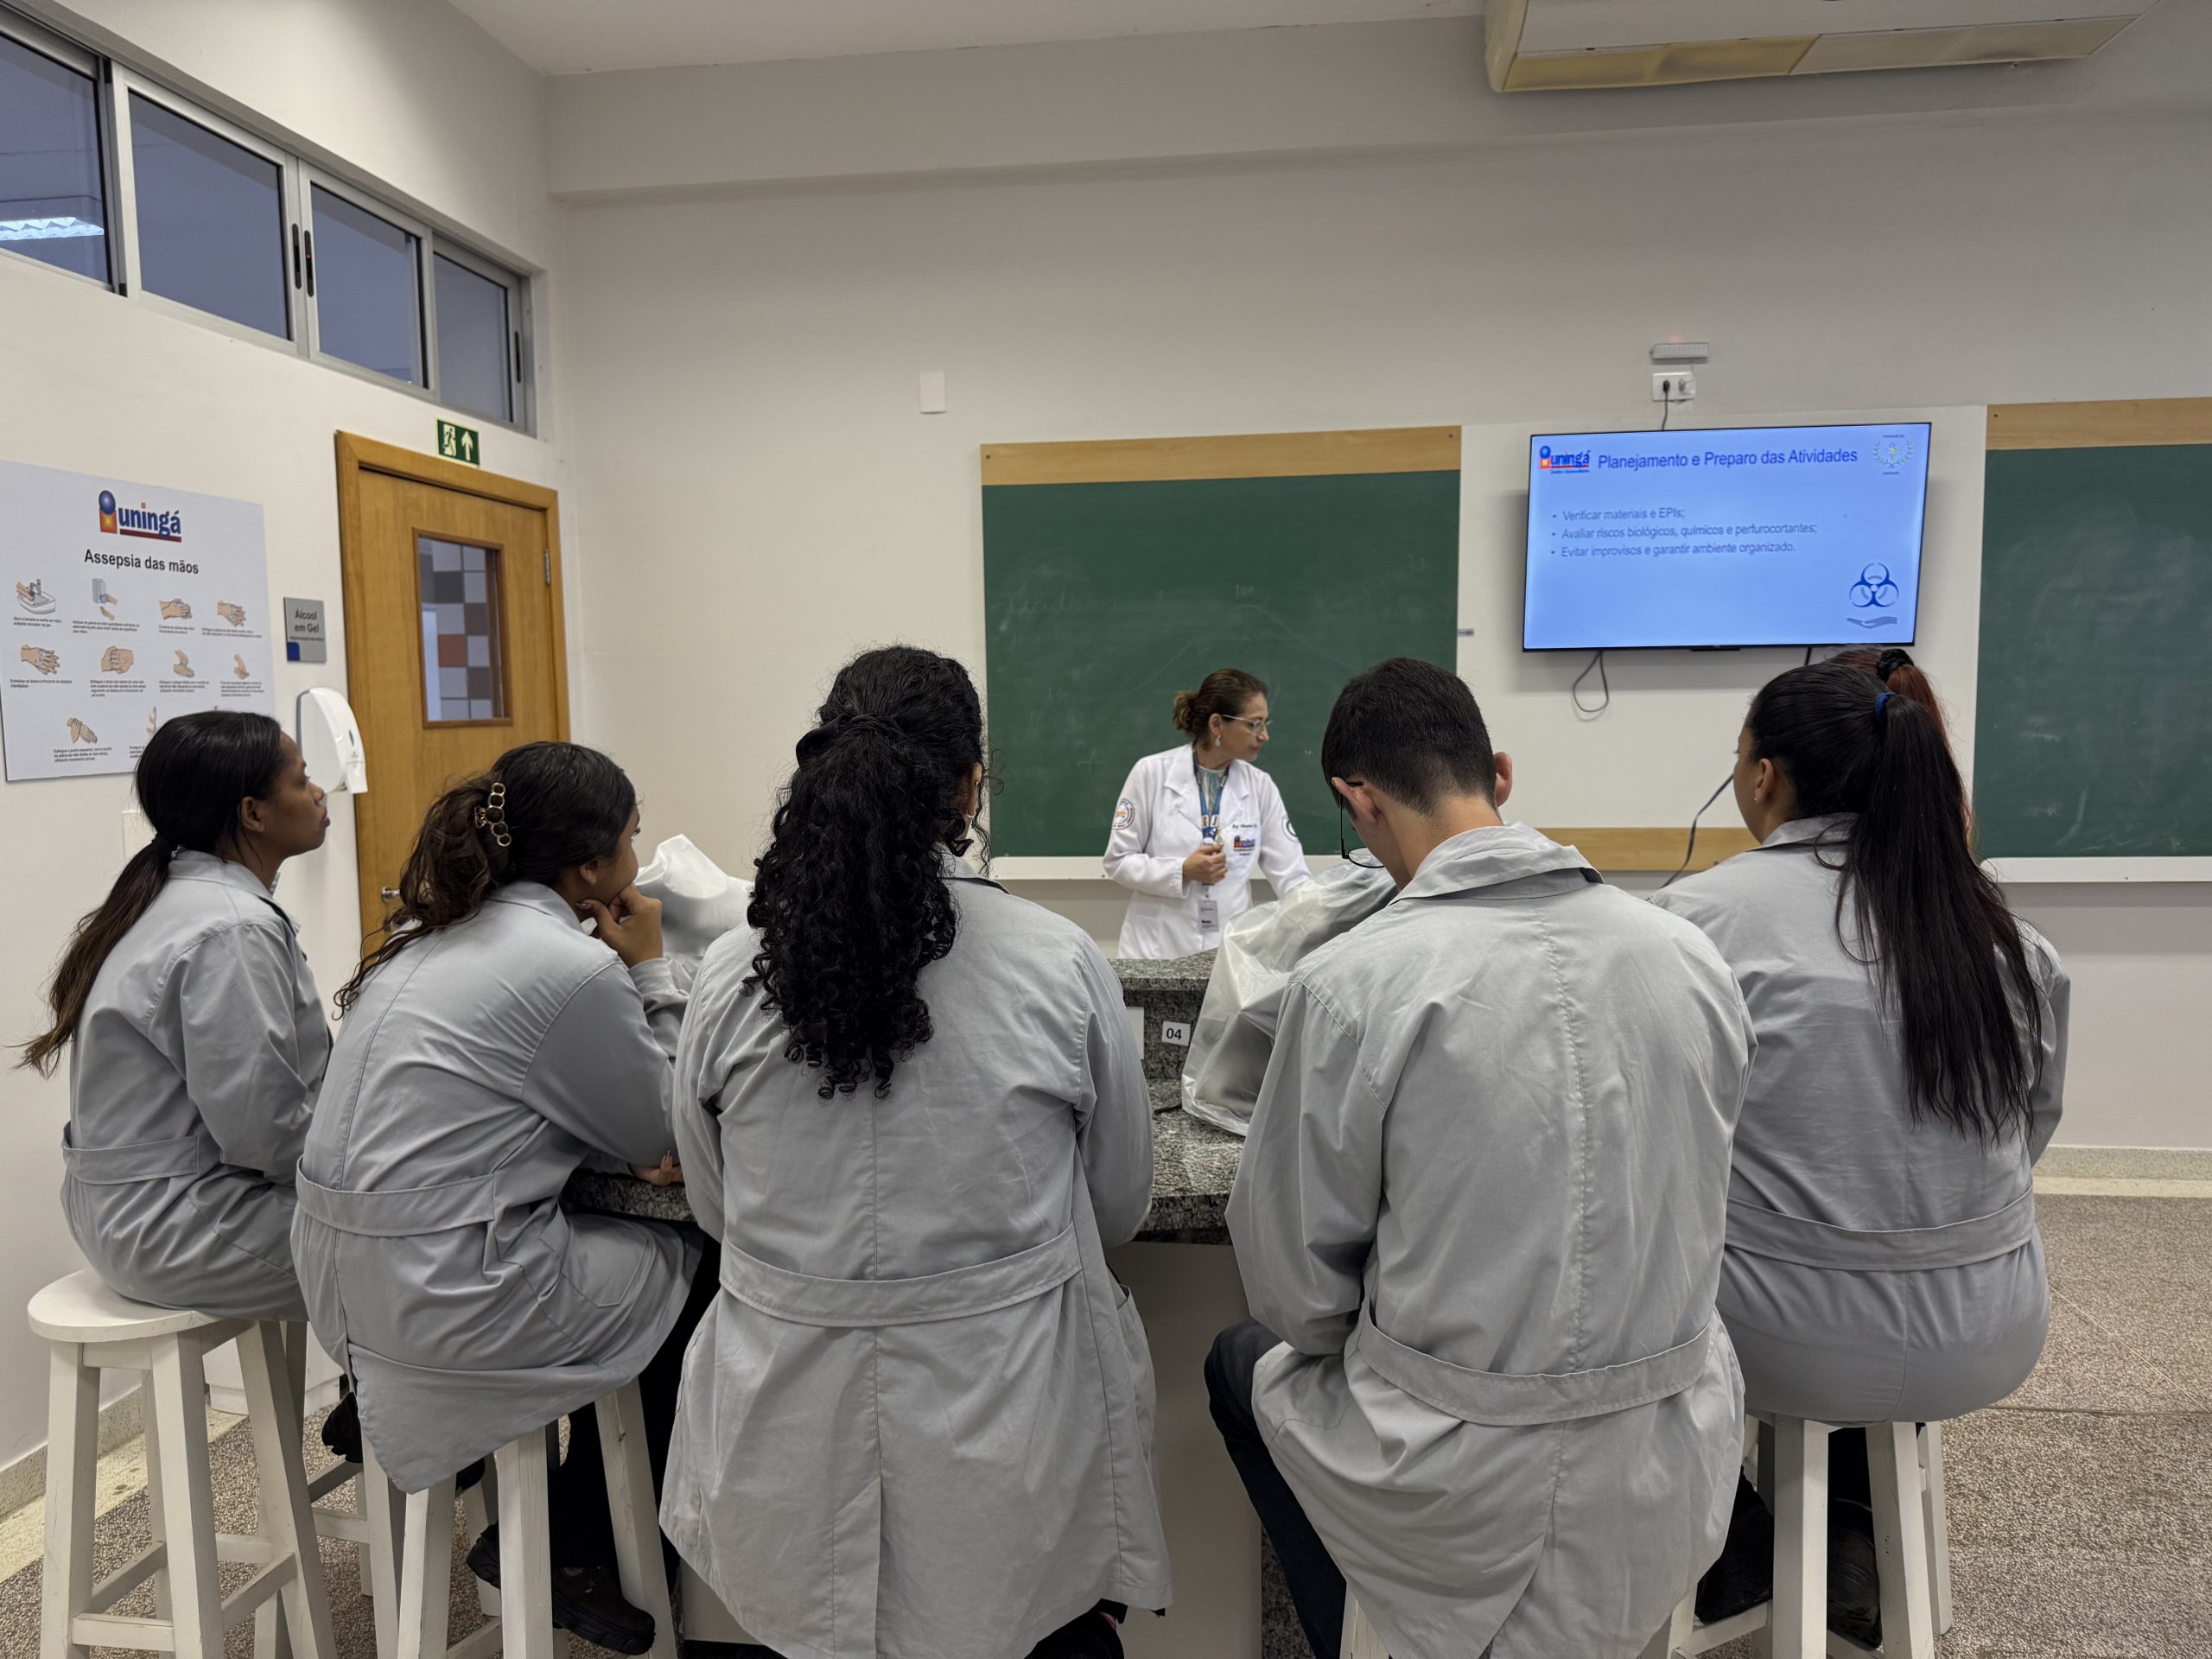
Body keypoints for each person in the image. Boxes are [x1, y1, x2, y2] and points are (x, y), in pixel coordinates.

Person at [1206, 658, 1751, 1659]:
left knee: (1238, 1360)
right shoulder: (1688, 958)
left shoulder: (1350, 983)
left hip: (1450, 1484)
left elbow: (1297, 1295)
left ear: (1357, 802)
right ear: (1499, 773)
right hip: (1665, 1460)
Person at [662, 645, 1171, 1659]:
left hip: (785, 1446)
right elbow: (1117, 1203)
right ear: (970, 786)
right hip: (1007, 1447)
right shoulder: (1057, 962)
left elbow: (716, 1209)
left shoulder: (728, 976)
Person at [1650, 660, 2069, 1646]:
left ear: (1763, 776)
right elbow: (2031, 1129)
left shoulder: (1691, 925)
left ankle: (1727, 1540)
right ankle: (1845, 1534)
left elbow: (1653, 1141)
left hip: (1775, 1337)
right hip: (1992, 1324)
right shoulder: (2009, 938)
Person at [292, 742, 703, 1657]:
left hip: (343, 1289)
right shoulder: (573, 965)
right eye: (632, 839)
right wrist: (650, 970)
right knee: (697, 1264)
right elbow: (666, 1133)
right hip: (452, 1299)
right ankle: (579, 1540)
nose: (639, 858)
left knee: (598, 1229)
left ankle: (462, 1434)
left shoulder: (422, 937)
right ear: (591, 868)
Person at [22, 710, 329, 1319]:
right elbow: (265, 1134)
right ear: (253, 813)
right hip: (178, 1226)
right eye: (301, 780)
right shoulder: (230, 928)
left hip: (136, 1212)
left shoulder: (178, 896)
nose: (319, 793)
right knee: (422, 1251)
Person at [1104, 667, 1311, 957]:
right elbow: (1118, 861)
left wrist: (1319, 918)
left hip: (1230, 949)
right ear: (1217, 724)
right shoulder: (1151, 773)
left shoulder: (1260, 786)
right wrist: (1182, 871)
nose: (1264, 735)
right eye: (1254, 724)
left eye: (1265, 723)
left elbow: (1292, 875)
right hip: (1157, 948)